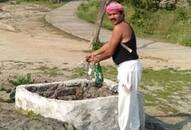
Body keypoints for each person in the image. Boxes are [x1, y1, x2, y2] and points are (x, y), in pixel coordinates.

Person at [86, 1, 144, 130]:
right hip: (129, 68)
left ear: (122, 13)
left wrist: (97, 59)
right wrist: (94, 53)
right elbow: (110, 44)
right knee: (130, 102)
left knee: (126, 103)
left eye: (115, 14)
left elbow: (111, 51)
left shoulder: (120, 27)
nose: (112, 17)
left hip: (129, 69)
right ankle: (134, 127)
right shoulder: (121, 26)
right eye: (109, 15)